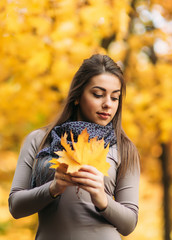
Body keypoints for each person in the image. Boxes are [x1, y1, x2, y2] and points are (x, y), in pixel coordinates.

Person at [9, 54, 140, 240]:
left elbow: (129, 224)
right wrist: (53, 188)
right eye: (98, 94)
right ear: (77, 96)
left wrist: (102, 199)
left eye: (115, 97)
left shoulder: (124, 148)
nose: (107, 104)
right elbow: (16, 206)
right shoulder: (40, 140)